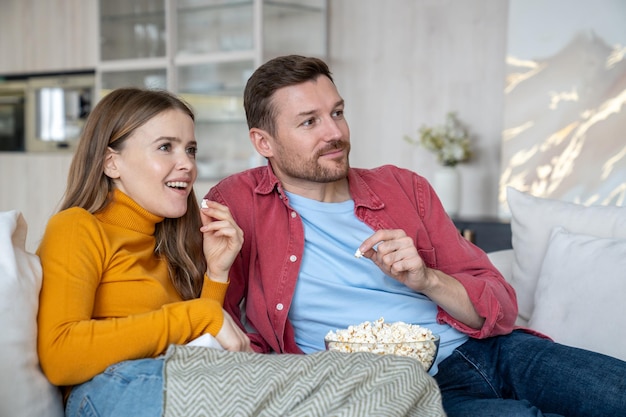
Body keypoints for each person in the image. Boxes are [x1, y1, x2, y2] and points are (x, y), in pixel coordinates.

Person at [205, 55, 626, 417]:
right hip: (402, 392)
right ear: (264, 142)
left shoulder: (402, 187)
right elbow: (209, 319)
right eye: (309, 122)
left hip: (495, 353)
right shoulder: (238, 203)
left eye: (337, 112)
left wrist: (426, 278)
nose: (334, 133)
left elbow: (498, 306)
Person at [37, 87, 445, 417]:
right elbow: (60, 354)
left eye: (190, 150)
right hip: (117, 391)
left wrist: (216, 274)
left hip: (175, 377)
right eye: (166, 147)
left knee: (398, 377)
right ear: (112, 162)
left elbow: (202, 340)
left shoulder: (168, 240)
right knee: (398, 382)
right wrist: (199, 312)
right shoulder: (77, 226)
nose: (186, 165)